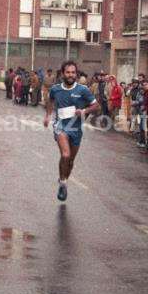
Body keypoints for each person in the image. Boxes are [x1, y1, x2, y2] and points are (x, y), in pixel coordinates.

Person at [44, 60, 99, 201]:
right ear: (63, 73)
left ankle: (64, 179)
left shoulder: (82, 90)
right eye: (68, 72)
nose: (70, 75)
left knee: (71, 160)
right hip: (60, 127)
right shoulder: (56, 89)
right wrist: (48, 116)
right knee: (66, 155)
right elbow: (50, 101)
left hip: (76, 128)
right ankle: (62, 183)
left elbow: (95, 106)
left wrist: (84, 110)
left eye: (73, 72)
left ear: (76, 74)